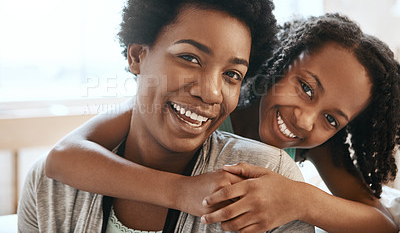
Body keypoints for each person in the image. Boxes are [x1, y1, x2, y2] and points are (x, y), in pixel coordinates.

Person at [17, 0, 314, 232]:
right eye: (190, 58)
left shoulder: (268, 180)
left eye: (231, 75)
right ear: (137, 56)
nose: (211, 92)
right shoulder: (52, 187)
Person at [44, 13, 400, 232]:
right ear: (281, 62)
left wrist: (300, 199)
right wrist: (180, 192)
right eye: (305, 87)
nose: (305, 119)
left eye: (331, 119)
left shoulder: (319, 141)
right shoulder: (207, 105)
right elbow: (63, 156)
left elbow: (382, 224)